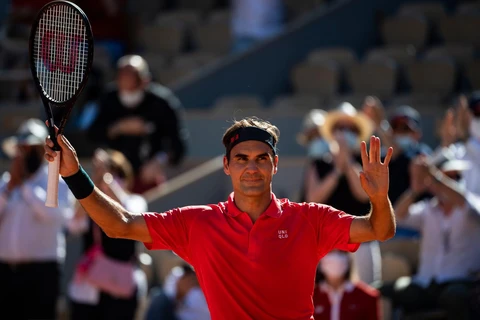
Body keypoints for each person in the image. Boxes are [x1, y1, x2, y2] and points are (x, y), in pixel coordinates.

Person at [44, 116, 396, 319]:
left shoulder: (309, 218)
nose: (252, 167)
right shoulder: (198, 223)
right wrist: (74, 173)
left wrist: (379, 198)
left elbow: (380, 229)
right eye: (241, 158)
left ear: (274, 165)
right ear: (227, 166)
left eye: (261, 158)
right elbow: (118, 224)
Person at [379, 151, 480, 320]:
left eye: (456, 177)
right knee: (380, 293)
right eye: (447, 176)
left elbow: (464, 201)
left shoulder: (470, 204)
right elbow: (395, 217)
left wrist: (433, 175)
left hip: (461, 282)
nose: (450, 182)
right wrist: (415, 189)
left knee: (455, 297)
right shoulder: (426, 210)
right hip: (425, 284)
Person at [0, 118, 74, 320]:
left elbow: (56, 216)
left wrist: (23, 185)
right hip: (6, 273)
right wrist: (9, 189)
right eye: (22, 149)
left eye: (31, 149)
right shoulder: (6, 183)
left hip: (41, 274)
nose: (25, 155)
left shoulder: (56, 181)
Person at [86, 54, 188, 194]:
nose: (128, 86)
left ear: (145, 80)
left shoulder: (161, 103)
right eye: (123, 77)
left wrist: (160, 160)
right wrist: (119, 128)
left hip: (148, 178)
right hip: (115, 180)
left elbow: (178, 144)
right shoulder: (109, 99)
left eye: (133, 78)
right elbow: (92, 134)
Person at [304, 102, 382, 285]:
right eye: (340, 128)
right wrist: (337, 171)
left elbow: (364, 195)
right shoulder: (319, 164)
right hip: (328, 243)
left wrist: (348, 165)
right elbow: (312, 198)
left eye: (350, 129)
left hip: (361, 240)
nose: (345, 132)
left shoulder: (366, 162)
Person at [67, 148, 148, 320]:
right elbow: (73, 224)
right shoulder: (90, 205)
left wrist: (108, 181)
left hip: (120, 290)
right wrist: (92, 186)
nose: (112, 178)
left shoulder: (136, 200)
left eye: (117, 174)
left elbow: (129, 215)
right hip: (88, 291)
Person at [313, 250, 380, 320]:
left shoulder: (367, 297)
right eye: (330, 252)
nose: (335, 258)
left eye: (341, 253)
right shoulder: (311, 298)